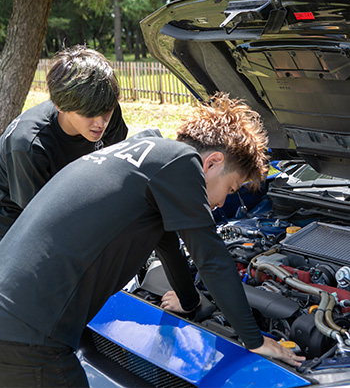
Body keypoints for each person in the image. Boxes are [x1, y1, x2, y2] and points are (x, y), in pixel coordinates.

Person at [0, 93, 305, 387]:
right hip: (29, 336)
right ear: (211, 163)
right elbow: (211, 259)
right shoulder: (182, 162)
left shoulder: (146, 151)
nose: (223, 200)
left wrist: (189, 301)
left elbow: (167, 244)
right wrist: (254, 340)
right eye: (232, 186)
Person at [0, 45, 128, 239]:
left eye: (106, 111)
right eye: (89, 114)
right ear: (59, 105)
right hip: (16, 225)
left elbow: (115, 172)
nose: (100, 123)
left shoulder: (106, 109)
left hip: (74, 201)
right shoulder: (28, 145)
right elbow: (41, 222)